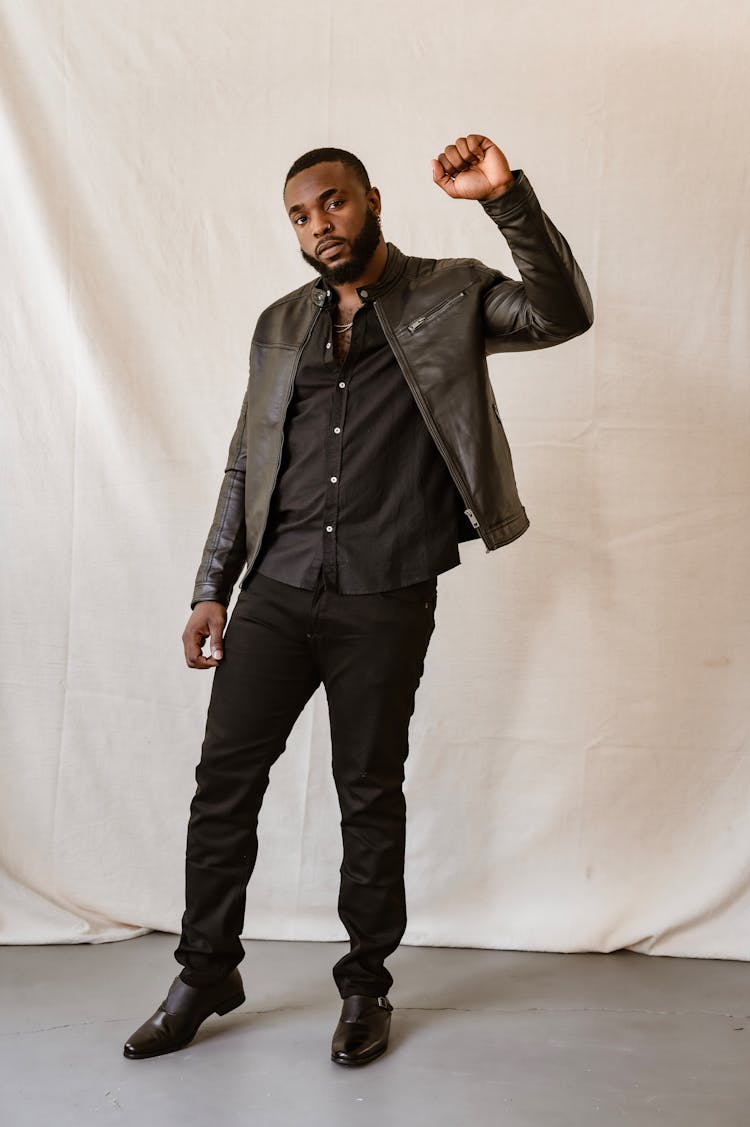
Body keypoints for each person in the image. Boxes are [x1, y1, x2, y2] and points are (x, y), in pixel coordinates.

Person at [123, 133, 593, 1066]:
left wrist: (506, 200)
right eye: (300, 214)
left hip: (385, 591)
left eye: (332, 203)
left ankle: (366, 984)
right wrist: (213, 585)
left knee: (367, 791)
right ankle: (206, 968)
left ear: (371, 199)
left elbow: (561, 312)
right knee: (223, 788)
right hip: (277, 590)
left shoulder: (450, 293)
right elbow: (246, 459)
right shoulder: (279, 323)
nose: (318, 225)